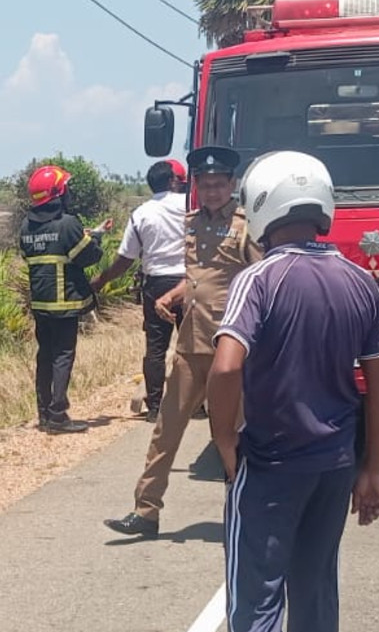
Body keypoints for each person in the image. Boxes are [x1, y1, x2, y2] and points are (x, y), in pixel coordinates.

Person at [205, 151, 379, 632]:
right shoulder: (361, 283)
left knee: (256, 604)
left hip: (271, 464)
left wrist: (224, 438)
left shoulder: (259, 279)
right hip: (334, 465)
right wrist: (373, 470)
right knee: (314, 592)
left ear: (264, 211)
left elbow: (225, 368)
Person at [104, 146, 263, 538]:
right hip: (191, 344)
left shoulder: (246, 226)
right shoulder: (191, 224)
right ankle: (146, 511)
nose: (211, 192)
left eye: (218, 185)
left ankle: (245, 511)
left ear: (232, 185)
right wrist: (172, 295)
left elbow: (262, 278)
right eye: (204, 185)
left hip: (232, 347)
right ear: (195, 186)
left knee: (232, 436)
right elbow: (199, 276)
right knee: (166, 429)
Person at [89, 159, 188, 422]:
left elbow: (125, 259)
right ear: (173, 181)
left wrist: (101, 280)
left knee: (156, 347)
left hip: (156, 284)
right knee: (191, 344)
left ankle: (155, 407)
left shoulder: (142, 213)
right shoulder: (191, 206)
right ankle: (197, 404)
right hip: (189, 282)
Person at [18, 164, 108, 434]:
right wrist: (96, 240)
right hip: (65, 304)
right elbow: (88, 257)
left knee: (45, 356)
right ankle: (59, 415)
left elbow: (46, 248)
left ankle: (45, 414)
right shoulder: (68, 223)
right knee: (63, 357)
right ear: (59, 193)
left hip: (41, 305)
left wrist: (88, 235)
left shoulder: (26, 226)